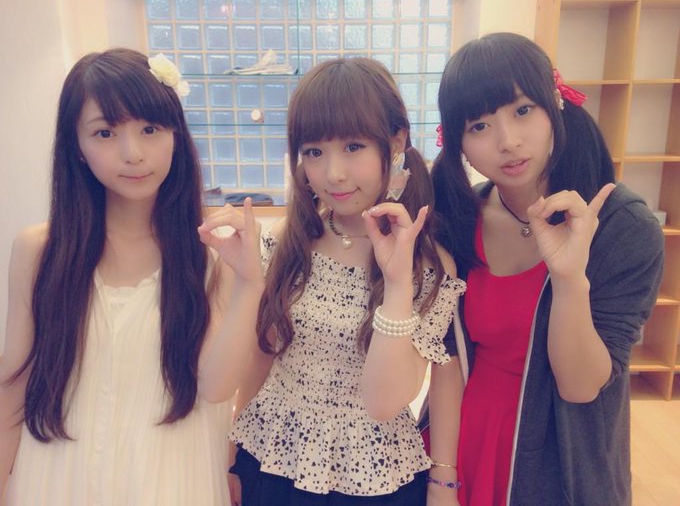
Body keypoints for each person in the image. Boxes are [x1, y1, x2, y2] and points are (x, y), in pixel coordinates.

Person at [0, 48, 264, 505]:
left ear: (175, 134)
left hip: (170, 480)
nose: (133, 153)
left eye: (150, 129)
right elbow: (12, 393)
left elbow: (217, 387)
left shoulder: (211, 252)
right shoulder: (40, 251)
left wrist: (250, 284)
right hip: (57, 479)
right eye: (105, 133)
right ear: (76, 146)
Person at [425, 32, 665, 505]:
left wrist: (569, 279)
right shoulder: (457, 222)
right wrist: (443, 478)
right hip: (463, 438)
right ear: (457, 143)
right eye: (479, 125)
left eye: (523, 110)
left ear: (555, 105)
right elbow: (445, 357)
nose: (508, 141)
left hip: (562, 456)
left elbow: (580, 387)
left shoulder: (622, 227)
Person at [227, 57, 466, 506]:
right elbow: (263, 353)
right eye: (314, 152)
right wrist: (231, 450)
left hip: (374, 476)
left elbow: (387, 401)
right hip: (272, 458)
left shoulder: (429, 266)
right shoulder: (287, 242)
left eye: (353, 146)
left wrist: (397, 283)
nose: (333, 173)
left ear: (396, 141)